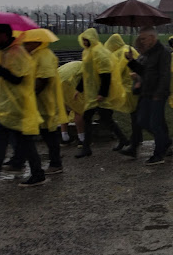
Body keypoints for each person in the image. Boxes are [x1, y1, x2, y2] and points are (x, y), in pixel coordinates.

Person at [0, 24, 46, 189]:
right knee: (0, 142)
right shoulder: (3, 52)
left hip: (17, 106)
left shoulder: (17, 53)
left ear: (4, 35)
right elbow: (0, 78)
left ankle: (37, 174)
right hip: (4, 106)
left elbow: (16, 79)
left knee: (25, 142)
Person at [120, 27, 172, 164]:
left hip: (157, 93)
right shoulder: (148, 53)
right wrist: (131, 61)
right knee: (142, 120)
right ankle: (165, 141)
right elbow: (144, 72)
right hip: (146, 92)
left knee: (155, 124)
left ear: (152, 38)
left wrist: (159, 93)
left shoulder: (163, 53)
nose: (141, 41)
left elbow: (165, 75)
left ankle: (159, 154)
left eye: (143, 38)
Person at [21, 29, 68, 175]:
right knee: (46, 132)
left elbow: (44, 79)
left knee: (49, 132)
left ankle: (55, 163)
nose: (25, 45)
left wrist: (30, 95)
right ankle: (51, 161)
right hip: (39, 102)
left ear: (37, 42)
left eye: (27, 43)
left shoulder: (45, 55)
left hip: (46, 102)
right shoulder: (35, 55)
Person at [75, 28, 127, 158]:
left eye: (86, 40)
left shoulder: (99, 52)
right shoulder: (87, 53)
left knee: (103, 118)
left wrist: (102, 93)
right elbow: (86, 73)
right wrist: (79, 89)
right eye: (83, 40)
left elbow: (106, 75)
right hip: (92, 94)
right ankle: (122, 139)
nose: (85, 42)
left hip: (100, 94)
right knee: (97, 118)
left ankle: (88, 147)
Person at [104, 33, 140, 147]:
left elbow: (117, 71)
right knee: (136, 114)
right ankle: (136, 139)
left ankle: (134, 140)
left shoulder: (120, 53)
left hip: (128, 87)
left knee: (135, 114)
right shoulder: (129, 49)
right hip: (135, 84)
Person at [58, 61, 86, 148]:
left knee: (64, 109)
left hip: (57, 80)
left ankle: (64, 138)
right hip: (68, 82)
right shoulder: (89, 68)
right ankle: (82, 139)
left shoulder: (79, 64)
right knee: (78, 110)